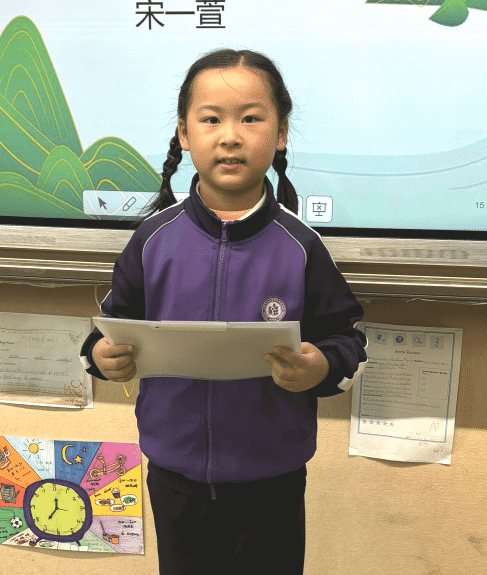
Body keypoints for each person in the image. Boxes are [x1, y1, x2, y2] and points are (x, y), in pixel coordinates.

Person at [80, 48, 367, 574]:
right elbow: (105, 330)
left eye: (251, 118)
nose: (230, 136)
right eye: (211, 119)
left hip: (274, 481)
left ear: (281, 133)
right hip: (174, 477)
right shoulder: (152, 240)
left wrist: (320, 367)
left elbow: (349, 343)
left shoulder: (301, 247)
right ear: (184, 134)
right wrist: (102, 357)